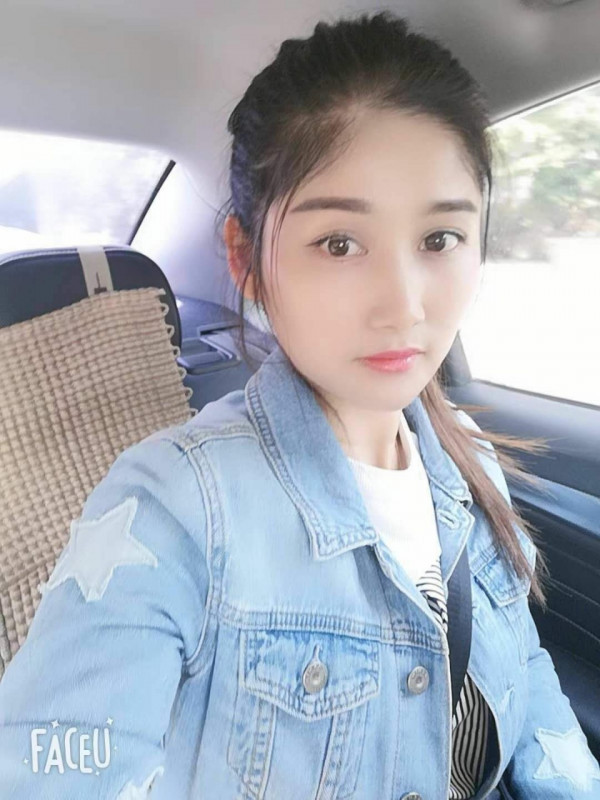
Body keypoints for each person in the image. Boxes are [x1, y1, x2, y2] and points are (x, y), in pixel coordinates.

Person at [1, 10, 599, 799]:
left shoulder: (471, 463)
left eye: (440, 239)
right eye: (339, 244)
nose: (404, 306)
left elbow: (529, 681)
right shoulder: (173, 508)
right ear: (246, 259)